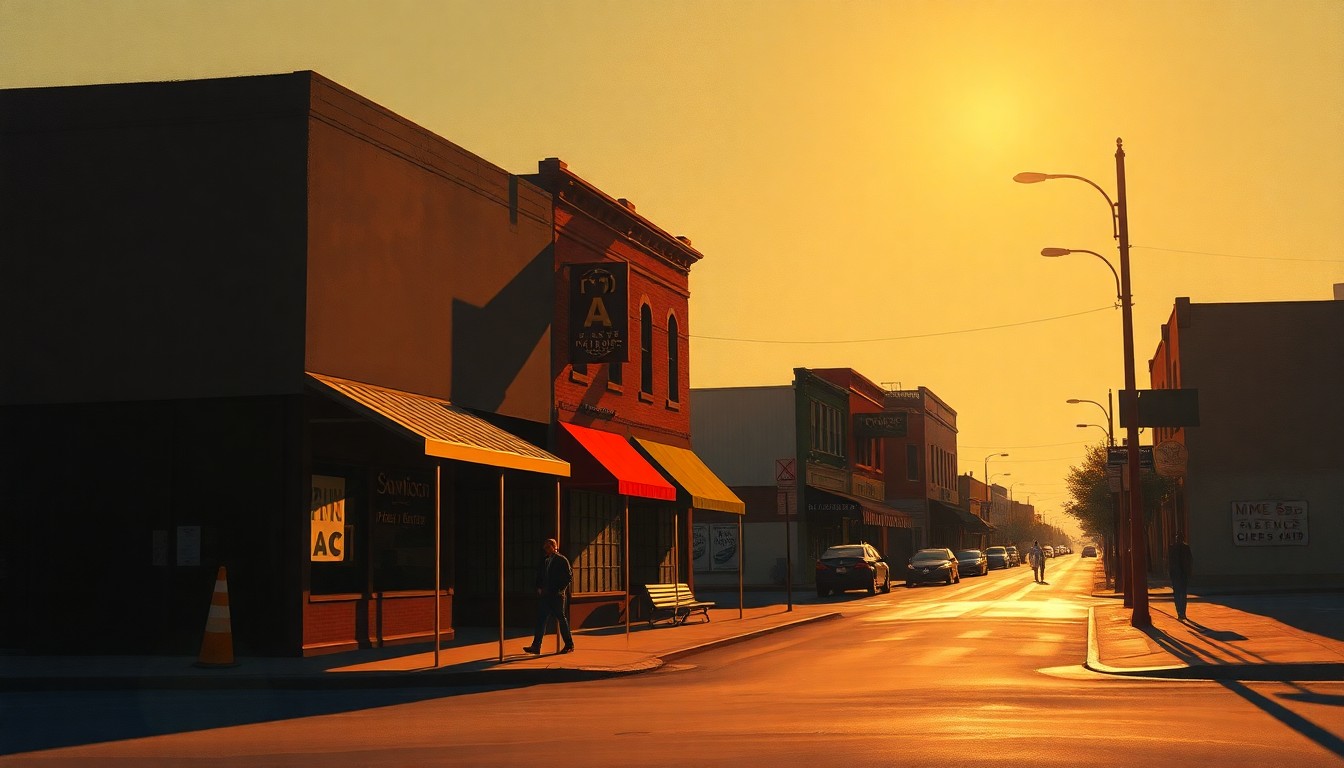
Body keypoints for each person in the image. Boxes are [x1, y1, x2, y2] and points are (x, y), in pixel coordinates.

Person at [523, 538, 574, 654]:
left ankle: (569, 644)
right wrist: (539, 587)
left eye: (547, 547)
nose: (545, 549)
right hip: (546, 595)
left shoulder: (561, 560)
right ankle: (536, 646)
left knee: (561, 619)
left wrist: (559, 590)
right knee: (541, 619)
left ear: (553, 547)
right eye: (544, 547)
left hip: (556, 596)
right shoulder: (545, 560)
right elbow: (540, 575)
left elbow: (568, 577)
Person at [1168, 532, 1194, 621]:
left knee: (1178, 594)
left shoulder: (1174, 548)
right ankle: (1181, 612)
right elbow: (1190, 560)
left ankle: (1180, 612)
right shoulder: (1183, 548)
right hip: (1180, 574)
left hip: (1179, 574)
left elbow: (1170, 562)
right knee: (1181, 594)